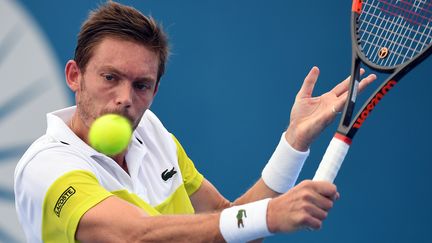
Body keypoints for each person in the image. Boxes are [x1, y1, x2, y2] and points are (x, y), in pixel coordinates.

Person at [14, 2, 376, 243]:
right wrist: (270, 214)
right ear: (74, 76)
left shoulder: (153, 134)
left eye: (141, 85)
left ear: (155, 90)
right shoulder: (46, 167)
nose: (126, 97)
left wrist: (293, 143)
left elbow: (227, 221)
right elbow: (135, 235)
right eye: (110, 77)